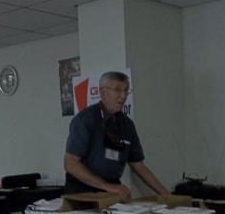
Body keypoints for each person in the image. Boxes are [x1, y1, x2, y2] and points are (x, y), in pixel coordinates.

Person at [64, 71, 169, 200]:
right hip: (82, 190)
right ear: (102, 92)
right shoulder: (86, 119)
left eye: (126, 91)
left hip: (112, 190)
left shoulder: (127, 125)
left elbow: (139, 166)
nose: (123, 96)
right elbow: (70, 163)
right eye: (118, 90)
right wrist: (107, 186)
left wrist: (168, 196)